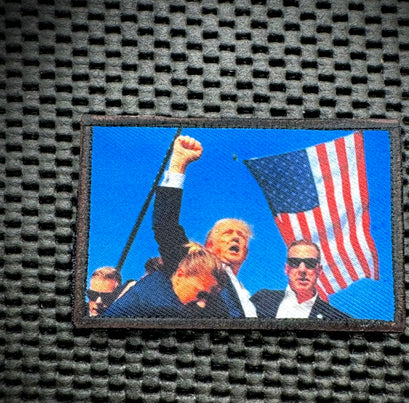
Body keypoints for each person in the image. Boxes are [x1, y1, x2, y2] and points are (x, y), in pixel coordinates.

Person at [153, 135, 257, 318]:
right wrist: (178, 165)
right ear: (209, 245)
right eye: (227, 233)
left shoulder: (247, 296)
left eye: (241, 236)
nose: (235, 237)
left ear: (246, 252)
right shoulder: (194, 265)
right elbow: (165, 226)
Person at [102, 243, 229, 318]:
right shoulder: (162, 302)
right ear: (180, 275)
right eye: (201, 294)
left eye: (208, 298)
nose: (202, 304)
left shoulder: (158, 281)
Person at [251, 239, 352, 320]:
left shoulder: (337, 319)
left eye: (310, 263)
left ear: (319, 270)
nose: (302, 270)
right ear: (287, 269)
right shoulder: (262, 300)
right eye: (295, 262)